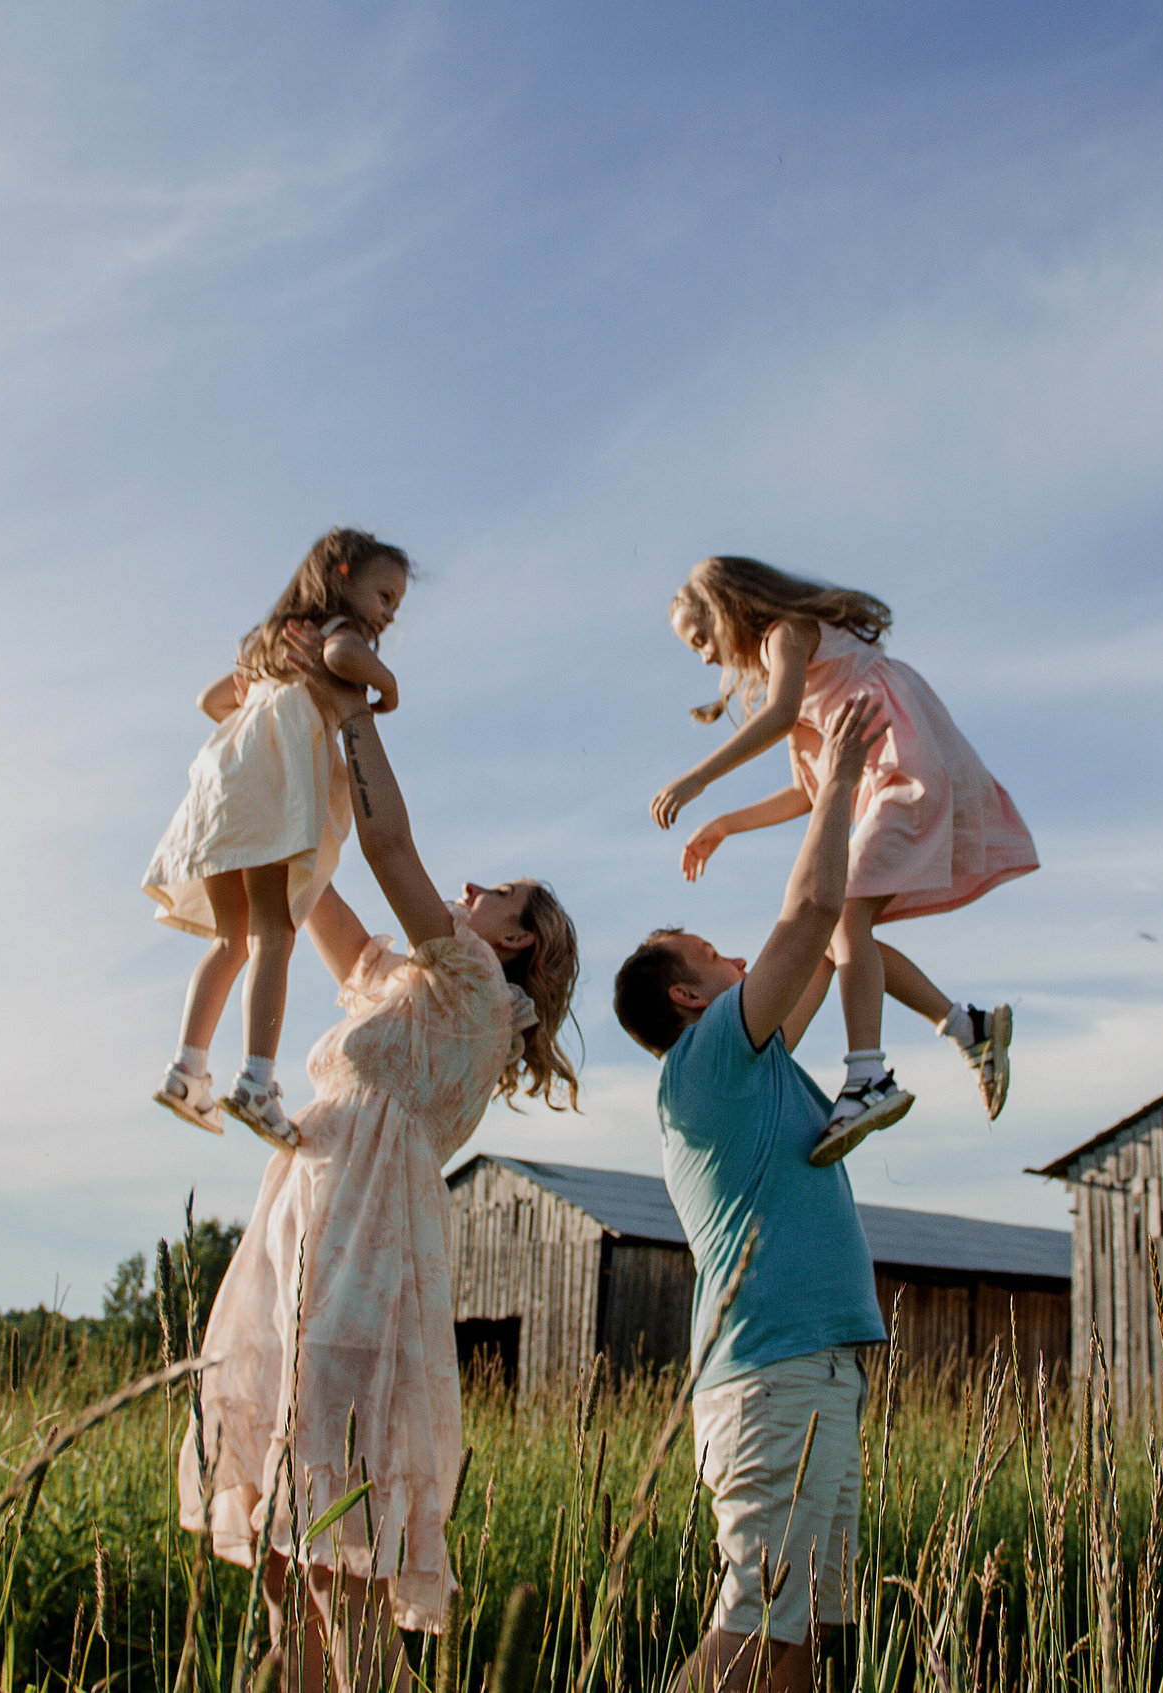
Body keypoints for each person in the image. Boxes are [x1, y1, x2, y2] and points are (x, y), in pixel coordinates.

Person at [178, 623, 580, 1693]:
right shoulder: (400, 981)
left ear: (516, 941)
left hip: (362, 1255)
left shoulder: (473, 996)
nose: (472, 885)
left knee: (335, 1560)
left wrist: (356, 715)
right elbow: (311, 884)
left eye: (497, 893)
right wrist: (288, 731)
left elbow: (391, 848)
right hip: (301, 1228)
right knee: (283, 1558)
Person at [613, 697, 888, 1693]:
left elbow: (822, 942)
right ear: (690, 996)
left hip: (803, 1376)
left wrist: (833, 808)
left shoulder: (755, 1064)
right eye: (710, 953)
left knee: (797, 1640)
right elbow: (805, 916)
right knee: (755, 1627)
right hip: (772, 1380)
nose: (735, 955)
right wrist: (847, 769)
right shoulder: (710, 1057)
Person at [650, 555, 1037, 1164]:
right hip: (895, 774)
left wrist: (697, 780)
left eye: (702, 639)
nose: (704, 658)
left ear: (727, 612)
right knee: (838, 935)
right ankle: (969, 1027)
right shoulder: (808, 688)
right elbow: (811, 790)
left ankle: (868, 1077)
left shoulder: (789, 634)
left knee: (843, 916)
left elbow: (776, 716)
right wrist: (726, 824)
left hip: (904, 772)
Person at [142, 527, 410, 1149]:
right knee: (272, 935)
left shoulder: (268, 644)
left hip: (218, 797)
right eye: (385, 596)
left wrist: (260, 706)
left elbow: (211, 701)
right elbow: (346, 662)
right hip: (264, 798)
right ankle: (257, 1081)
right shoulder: (331, 632)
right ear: (341, 574)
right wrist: (387, 688)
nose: (388, 614)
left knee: (230, 939)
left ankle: (187, 1069)